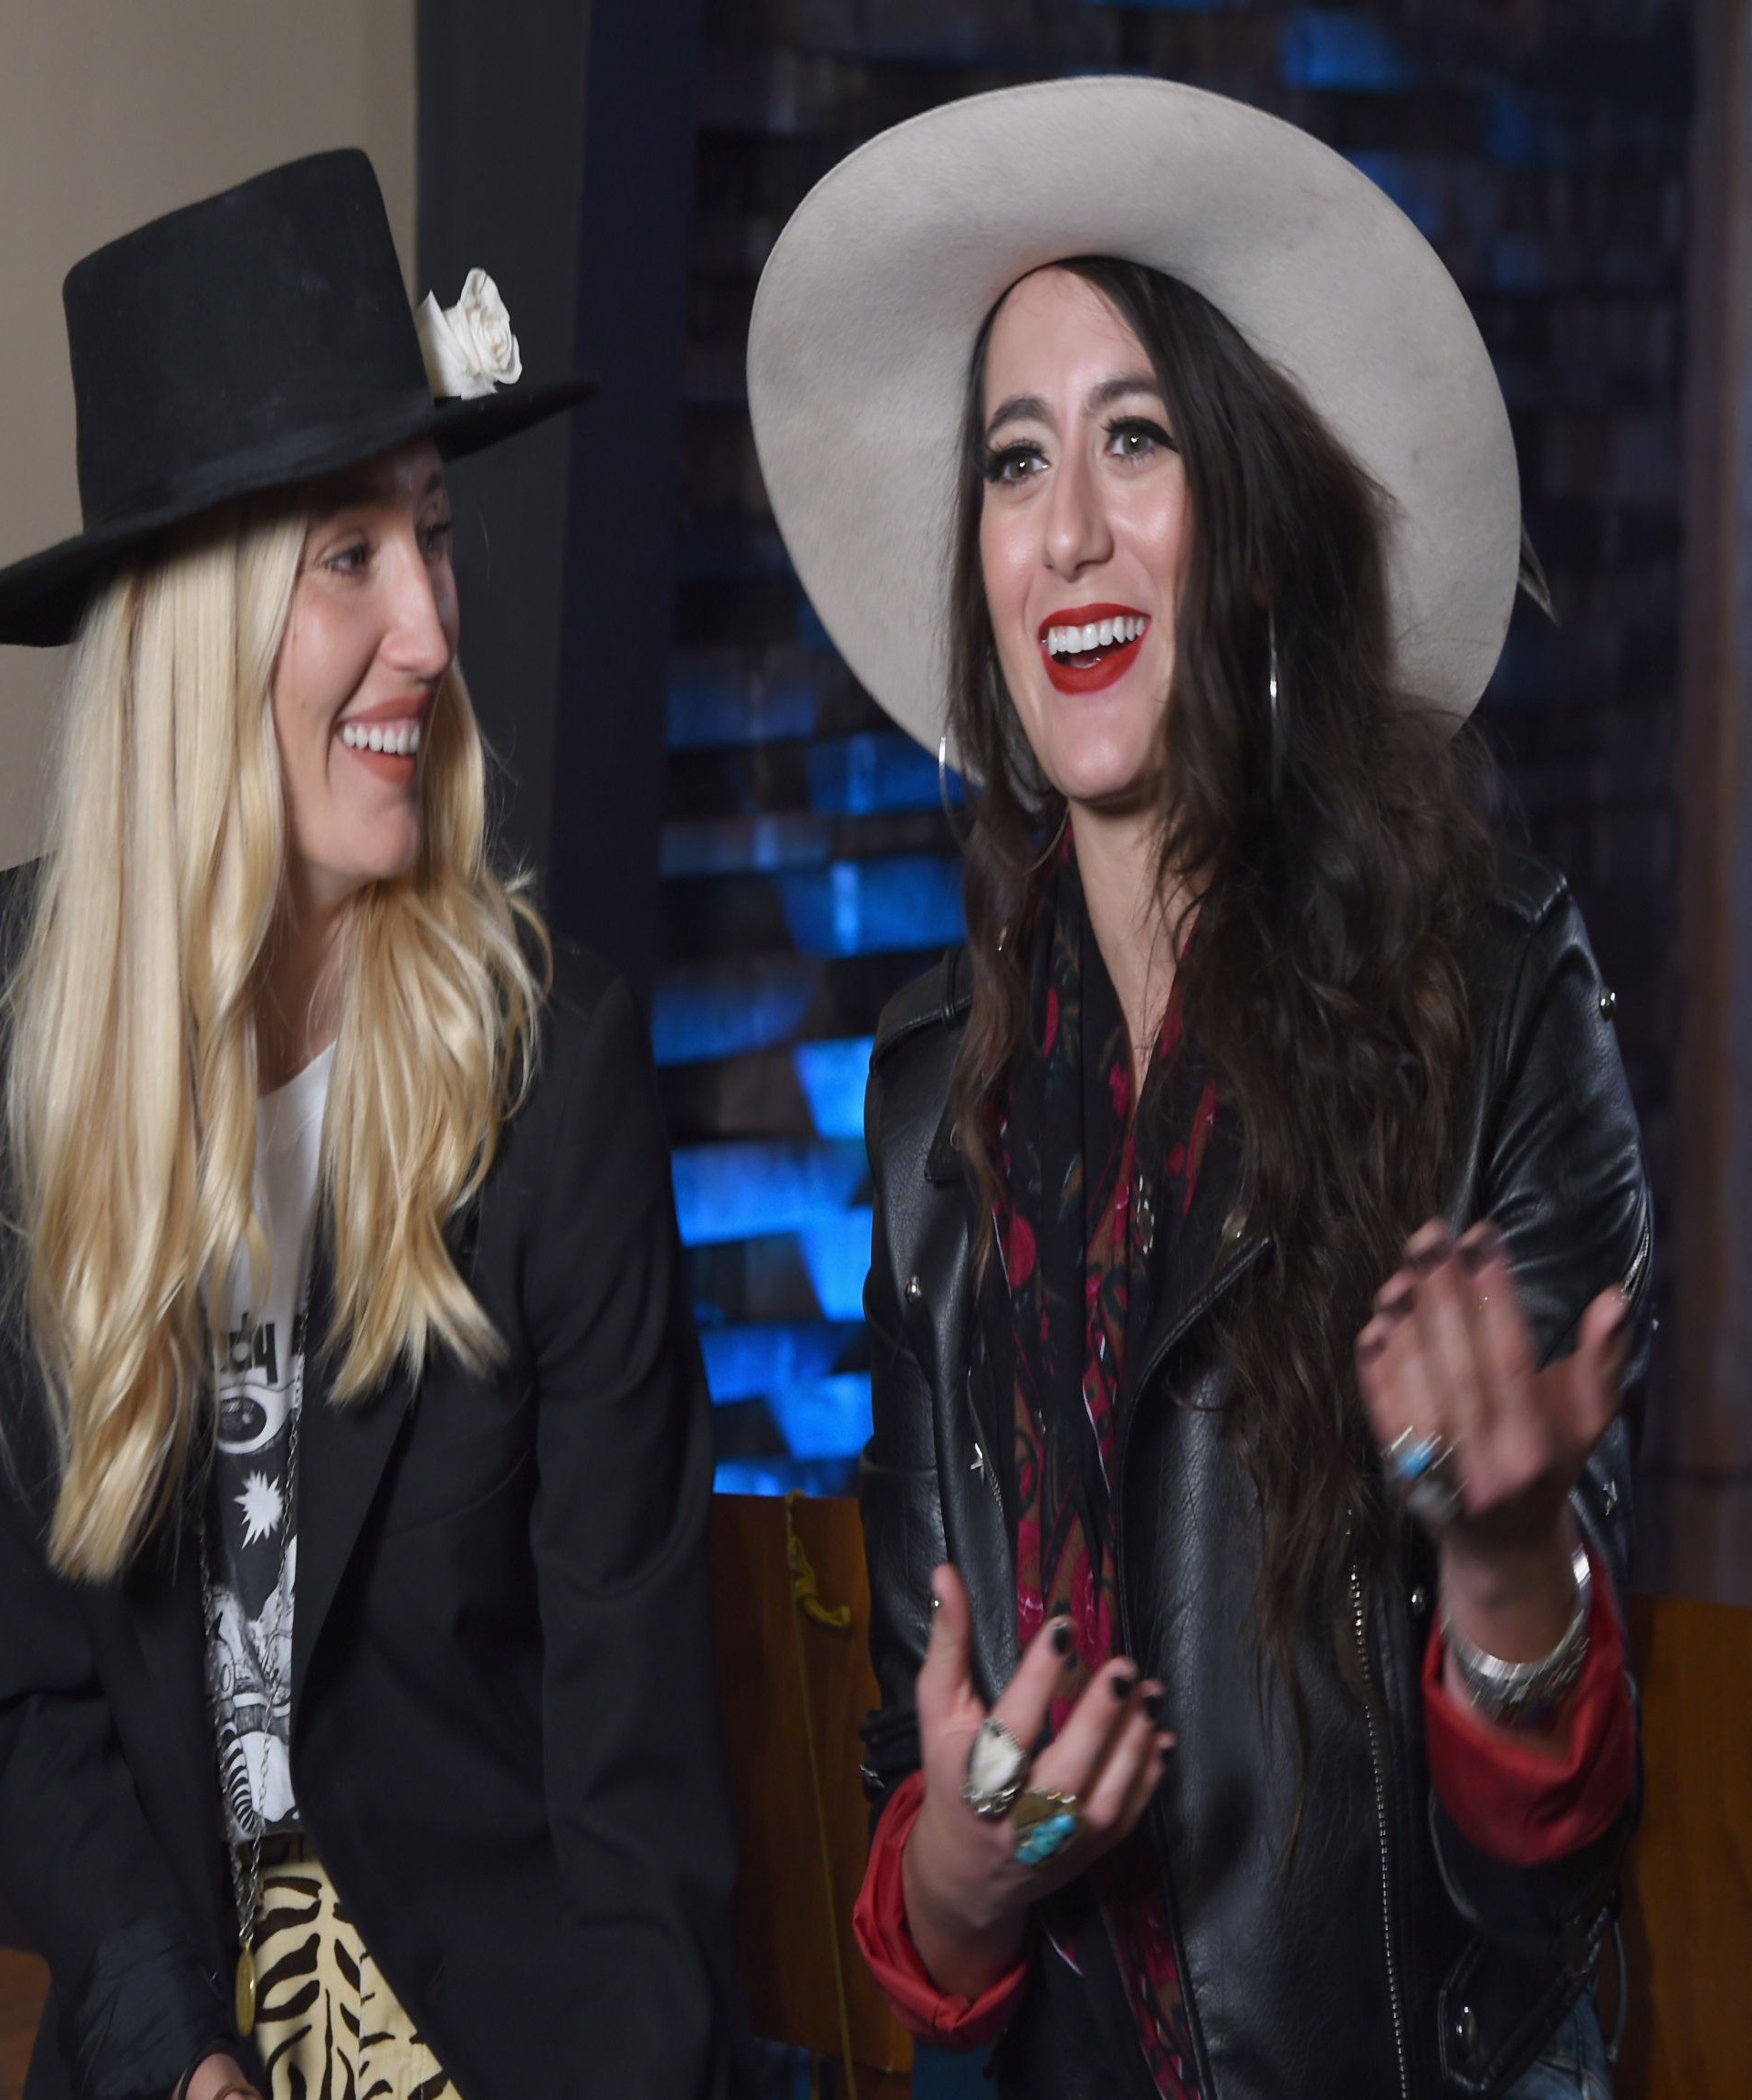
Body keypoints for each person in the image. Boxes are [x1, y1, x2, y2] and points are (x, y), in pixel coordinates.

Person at [747, 79, 1645, 2099]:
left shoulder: (1491, 999)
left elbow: (1553, 1865)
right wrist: (972, 1866)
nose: (1063, 526)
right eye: (1011, 460)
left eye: (1133, 440)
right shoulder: (924, 1114)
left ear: (1244, 521)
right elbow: (923, 1819)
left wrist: (1508, 1568)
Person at [0, 152, 750, 2100]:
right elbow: (28, 1704)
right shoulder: (6, 1014)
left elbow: (637, 1798)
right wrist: (176, 2060)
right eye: (350, 557)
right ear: (196, 634)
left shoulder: (552, 1071)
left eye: (434, 535)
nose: (434, 631)